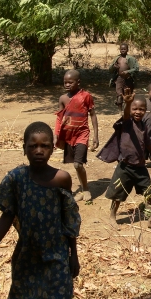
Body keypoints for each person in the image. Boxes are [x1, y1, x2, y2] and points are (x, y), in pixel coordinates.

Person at [0, 122, 81, 299]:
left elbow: (69, 219)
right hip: (27, 255)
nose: (39, 151)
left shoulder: (62, 178)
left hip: (57, 253)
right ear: (24, 148)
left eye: (44, 146)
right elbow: (7, 215)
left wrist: (74, 255)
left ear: (52, 148)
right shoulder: (16, 178)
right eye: (33, 146)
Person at [97, 88, 151, 229]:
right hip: (125, 167)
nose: (138, 112)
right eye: (134, 109)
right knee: (117, 193)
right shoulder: (127, 123)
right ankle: (112, 217)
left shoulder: (143, 126)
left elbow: (148, 142)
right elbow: (125, 115)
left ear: (146, 110)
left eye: (141, 109)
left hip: (140, 167)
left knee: (149, 192)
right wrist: (128, 103)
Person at [54, 69, 99, 202]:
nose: (67, 85)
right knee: (75, 164)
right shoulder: (63, 98)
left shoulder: (86, 96)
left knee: (78, 164)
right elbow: (59, 118)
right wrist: (56, 134)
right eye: (65, 82)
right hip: (69, 135)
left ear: (78, 82)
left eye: (70, 82)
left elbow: (93, 115)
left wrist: (96, 135)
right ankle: (83, 188)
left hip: (82, 134)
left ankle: (85, 189)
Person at [109, 43, 139, 113]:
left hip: (128, 79)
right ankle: (120, 111)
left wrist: (127, 72)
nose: (123, 50)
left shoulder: (131, 59)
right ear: (119, 50)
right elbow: (110, 70)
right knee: (119, 94)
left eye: (124, 49)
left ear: (127, 50)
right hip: (119, 78)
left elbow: (136, 69)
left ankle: (128, 110)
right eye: (121, 49)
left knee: (128, 95)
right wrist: (114, 67)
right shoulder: (117, 58)